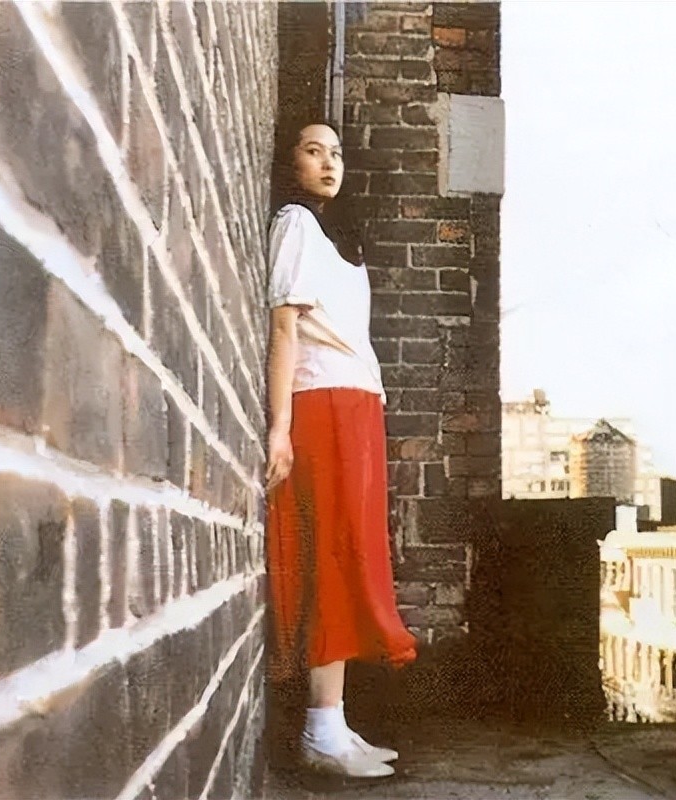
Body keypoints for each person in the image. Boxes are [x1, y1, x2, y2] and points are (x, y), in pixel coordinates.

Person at [264, 121, 417, 779]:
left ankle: (335, 722)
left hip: (357, 404)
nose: (328, 162)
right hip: (323, 404)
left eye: (336, 153)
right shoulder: (295, 223)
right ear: (290, 163)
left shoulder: (336, 240)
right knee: (333, 555)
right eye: (312, 150)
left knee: (354, 556)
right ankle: (319, 731)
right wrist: (280, 427)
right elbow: (285, 330)